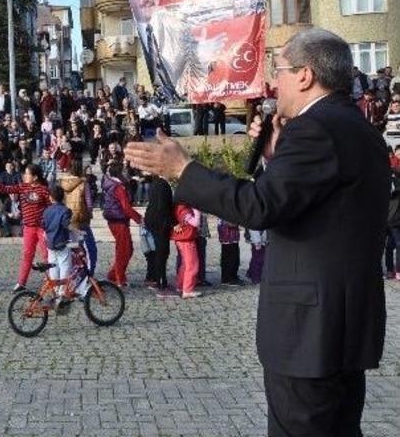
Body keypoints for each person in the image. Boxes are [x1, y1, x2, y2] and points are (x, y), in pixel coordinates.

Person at [124, 28, 388, 436]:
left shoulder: (314, 128)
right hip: (345, 326)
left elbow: (258, 207)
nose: (272, 81)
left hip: (309, 333)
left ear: (305, 75)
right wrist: (276, 159)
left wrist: (183, 170)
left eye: (278, 69)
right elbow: (311, 204)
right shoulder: (358, 127)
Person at [123, 0, 227, 100]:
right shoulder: (140, 34)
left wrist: (205, 57)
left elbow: (196, 64)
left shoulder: (176, 25)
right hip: (160, 101)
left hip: (180, 98)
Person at [0, 164, 51, 293]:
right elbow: (5, 189)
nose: (24, 176)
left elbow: (50, 208)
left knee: (47, 255)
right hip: (28, 228)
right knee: (27, 255)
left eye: (27, 174)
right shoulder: (22, 187)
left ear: (34, 177)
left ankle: (51, 280)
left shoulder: (44, 190)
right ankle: (21, 282)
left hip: (42, 228)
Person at [100, 163, 143, 287]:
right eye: (124, 170)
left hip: (114, 219)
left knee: (125, 248)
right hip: (119, 221)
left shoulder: (111, 184)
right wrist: (139, 219)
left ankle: (114, 274)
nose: (126, 172)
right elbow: (126, 207)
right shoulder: (118, 187)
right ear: (119, 172)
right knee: (124, 250)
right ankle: (119, 277)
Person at [42, 186, 73, 304]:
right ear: (63, 197)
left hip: (50, 243)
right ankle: (62, 292)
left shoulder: (46, 211)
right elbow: (66, 225)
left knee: (53, 266)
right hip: (62, 243)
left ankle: (54, 289)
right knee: (65, 266)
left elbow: (43, 225)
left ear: (50, 198)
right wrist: (77, 231)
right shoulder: (65, 210)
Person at [171, 203, 202, 299]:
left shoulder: (179, 208)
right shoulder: (184, 210)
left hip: (182, 239)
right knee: (192, 265)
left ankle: (180, 285)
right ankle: (187, 290)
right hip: (186, 240)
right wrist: (197, 210)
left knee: (185, 264)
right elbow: (196, 223)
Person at [218, 219, 243, 285]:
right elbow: (231, 224)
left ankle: (233, 277)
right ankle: (228, 279)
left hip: (232, 238)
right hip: (228, 239)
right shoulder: (224, 212)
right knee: (230, 260)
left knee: (234, 259)